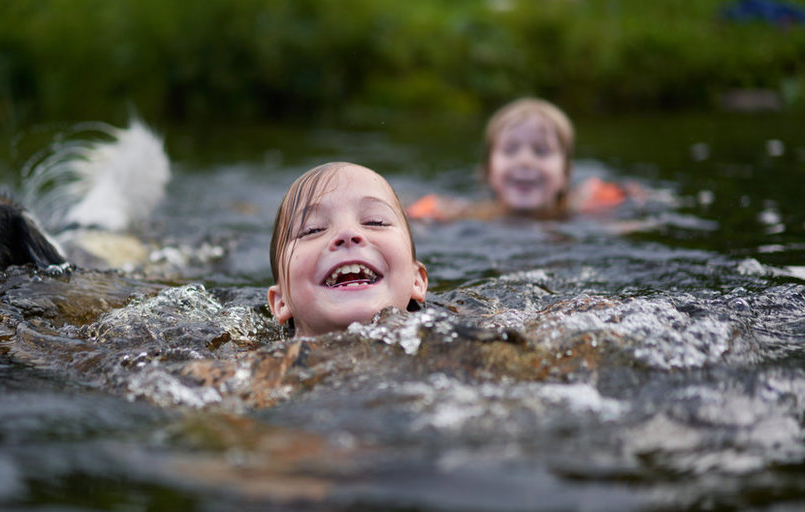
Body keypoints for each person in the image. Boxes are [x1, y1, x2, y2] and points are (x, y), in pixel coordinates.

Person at [407, 97, 637, 221]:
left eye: (541, 151)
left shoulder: (579, 209)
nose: (525, 161)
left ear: (566, 174)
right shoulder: (473, 215)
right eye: (510, 150)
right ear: (488, 172)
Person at [268, 162, 428, 338]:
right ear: (281, 301)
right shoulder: (255, 362)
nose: (347, 233)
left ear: (417, 281)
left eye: (375, 222)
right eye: (313, 229)